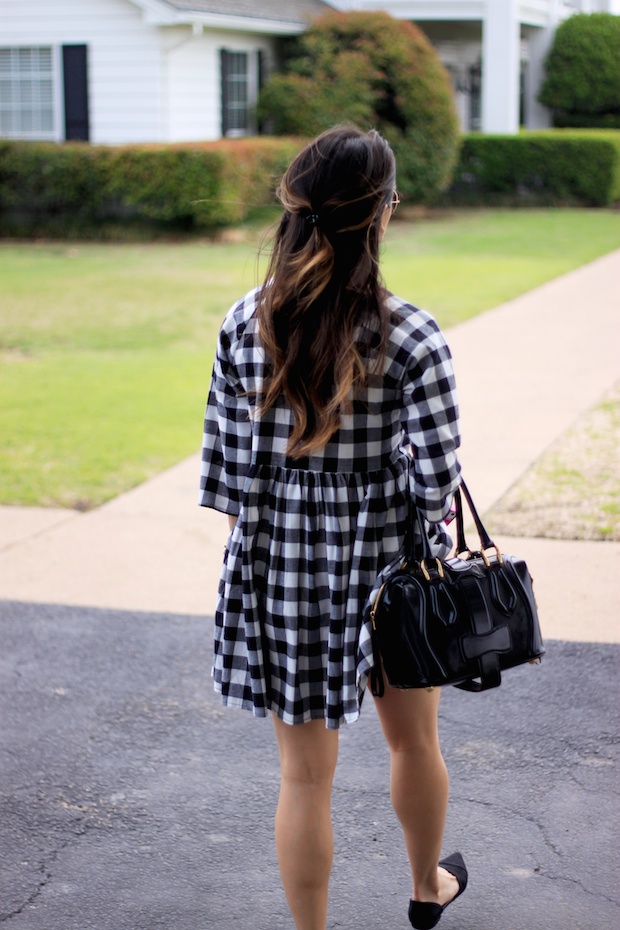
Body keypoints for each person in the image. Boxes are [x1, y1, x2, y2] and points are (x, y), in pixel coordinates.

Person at [199, 126, 467, 930]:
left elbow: (226, 475)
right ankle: (427, 888)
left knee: (305, 778)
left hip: (282, 560)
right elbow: (436, 481)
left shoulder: (246, 321)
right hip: (390, 561)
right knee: (413, 743)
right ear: (382, 214)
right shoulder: (412, 333)